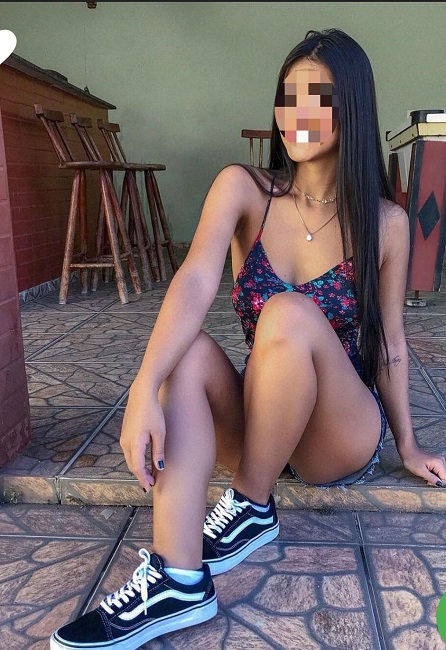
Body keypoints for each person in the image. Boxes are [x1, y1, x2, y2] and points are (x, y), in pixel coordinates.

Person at [50, 27, 446, 650]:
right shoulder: (245, 189)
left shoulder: (386, 223)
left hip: (337, 435)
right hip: (266, 426)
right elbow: (193, 281)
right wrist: (143, 388)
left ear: (353, 107)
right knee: (185, 354)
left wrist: (409, 444)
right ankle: (179, 577)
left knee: (286, 313)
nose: (296, 114)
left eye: (318, 98)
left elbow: (391, 343)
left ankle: (252, 505)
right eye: (288, 97)